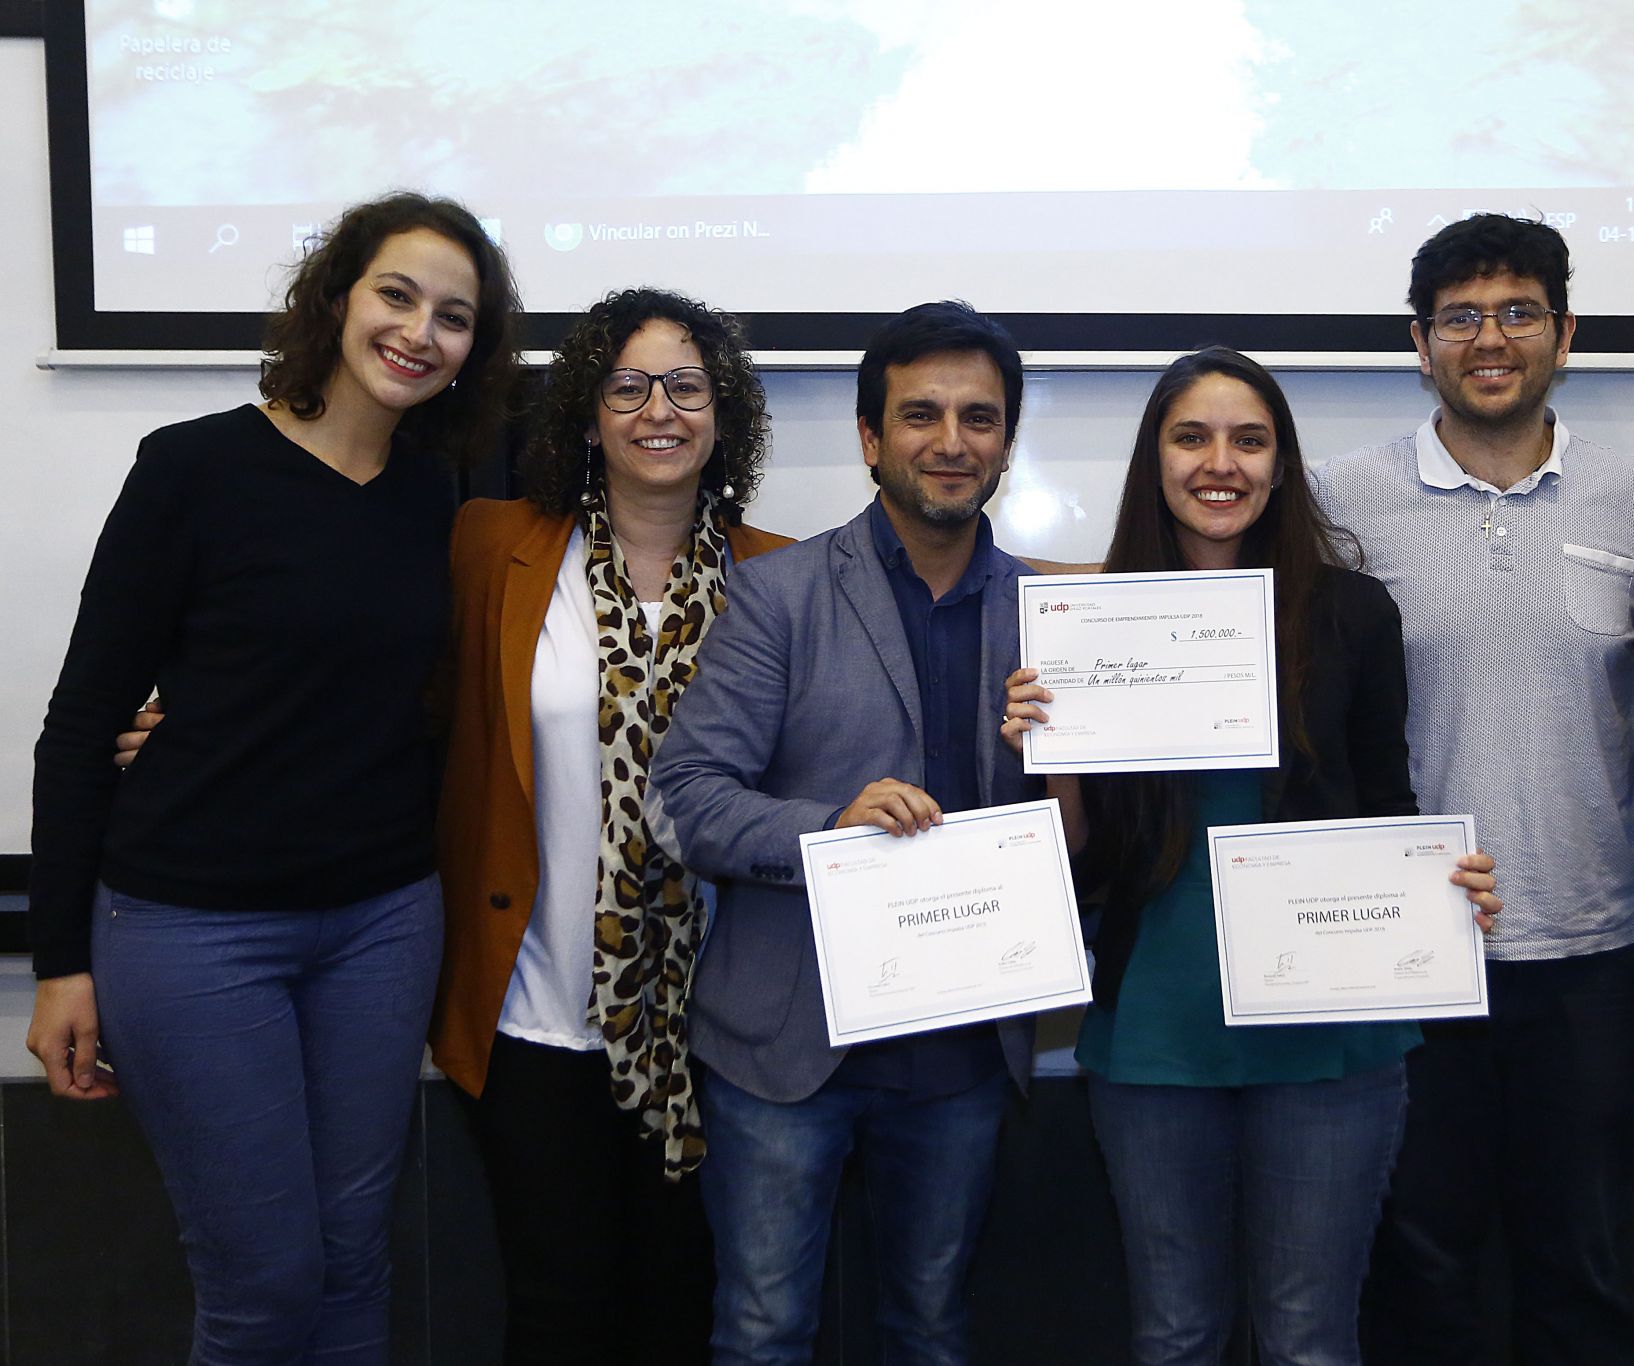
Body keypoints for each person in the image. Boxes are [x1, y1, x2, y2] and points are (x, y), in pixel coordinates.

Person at [25, 193, 520, 1363]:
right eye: (396, 294)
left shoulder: (437, 493)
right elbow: (82, 721)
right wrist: (57, 963)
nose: (419, 331)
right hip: (193, 933)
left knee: (353, 1264)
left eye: (453, 317)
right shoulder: (193, 468)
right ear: (336, 296)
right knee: (262, 1284)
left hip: (382, 924)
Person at [1000, 347, 1502, 1366]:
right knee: (1175, 1335)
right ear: (1155, 460)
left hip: (1329, 1033)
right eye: (1191, 438)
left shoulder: (1352, 614)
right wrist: (1051, 757)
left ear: (1280, 464)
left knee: (1309, 1339)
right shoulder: (1088, 622)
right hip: (1156, 1029)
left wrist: (1442, 893)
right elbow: (1080, 869)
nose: (1219, 463)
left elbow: (1388, 804)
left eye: (1249, 439)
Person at [648, 300, 1041, 1365]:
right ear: (870, 438)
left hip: (962, 1050)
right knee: (764, 1332)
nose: (951, 442)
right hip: (789, 1049)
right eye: (920, 414)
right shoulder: (776, 596)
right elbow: (685, 795)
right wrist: (831, 826)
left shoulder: (1049, 615)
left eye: (978, 418)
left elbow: (1083, 836)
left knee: (932, 1329)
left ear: (1006, 442)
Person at [1315, 214, 1634, 1364]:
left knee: (1584, 1274)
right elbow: (1204, 599)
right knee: (1419, 1278)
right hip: (1413, 959)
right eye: (1459, 317)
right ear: (1418, 343)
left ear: (1563, 334)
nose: (1489, 338)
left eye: (1518, 312)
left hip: (1592, 956)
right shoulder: (1338, 501)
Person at [428, 289, 791, 1365]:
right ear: (586, 416)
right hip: (536, 1016)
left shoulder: (783, 575)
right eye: (626, 387)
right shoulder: (491, 549)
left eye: (686, 387)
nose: (658, 411)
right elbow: (368, 664)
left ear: (722, 414)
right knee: (558, 1311)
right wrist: (195, 714)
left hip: (718, 1027)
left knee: (685, 1308)